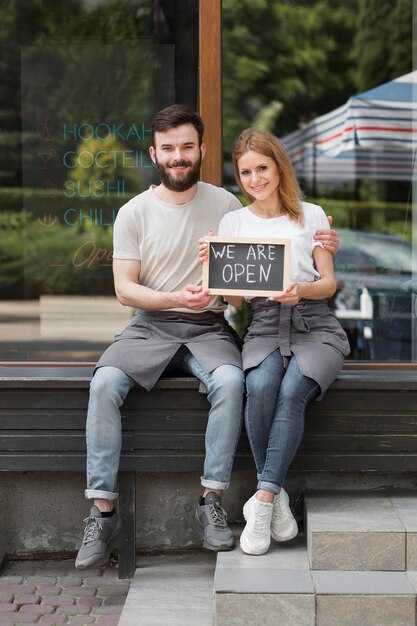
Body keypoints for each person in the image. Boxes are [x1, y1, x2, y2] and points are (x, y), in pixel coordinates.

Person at [75, 105, 340, 570]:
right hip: (149, 326)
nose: (179, 156)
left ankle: (212, 501)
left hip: (208, 328)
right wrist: (179, 295)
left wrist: (316, 251)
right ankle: (102, 511)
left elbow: (248, 272)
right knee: (102, 384)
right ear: (155, 153)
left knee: (233, 382)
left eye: (187, 147)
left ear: (200, 150)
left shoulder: (228, 206)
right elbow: (124, 290)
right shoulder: (132, 212)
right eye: (169, 149)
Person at [201, 128, 350, 556]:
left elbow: (328, 284)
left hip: (315, 325)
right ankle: (278, 495)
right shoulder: (234, 222)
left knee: (290, 392)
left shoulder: (312, 214)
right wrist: (214, 266)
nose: (255, 179)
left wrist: (299, 290)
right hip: (264, 324)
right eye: (246, 172)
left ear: (278, 167)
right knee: (261, 386)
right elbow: (232, 299)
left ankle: (262, 500)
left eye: (262, 168)